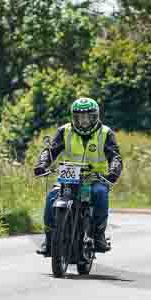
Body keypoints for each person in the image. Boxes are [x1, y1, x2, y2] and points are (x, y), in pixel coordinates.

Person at [34, 97, 122, 256]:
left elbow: (115, 156)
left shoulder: (105, 133)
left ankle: (99, 235)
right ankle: (49, 238)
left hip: (95, 178)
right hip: (69, 177)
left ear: (95, 116)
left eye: (88, 117)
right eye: (79, 117)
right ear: (73, 117)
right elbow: (50, 151)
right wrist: (42, 164)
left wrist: (113, 172)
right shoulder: (64, 131)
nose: (84, 121)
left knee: (100, 194)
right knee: (51, 197)